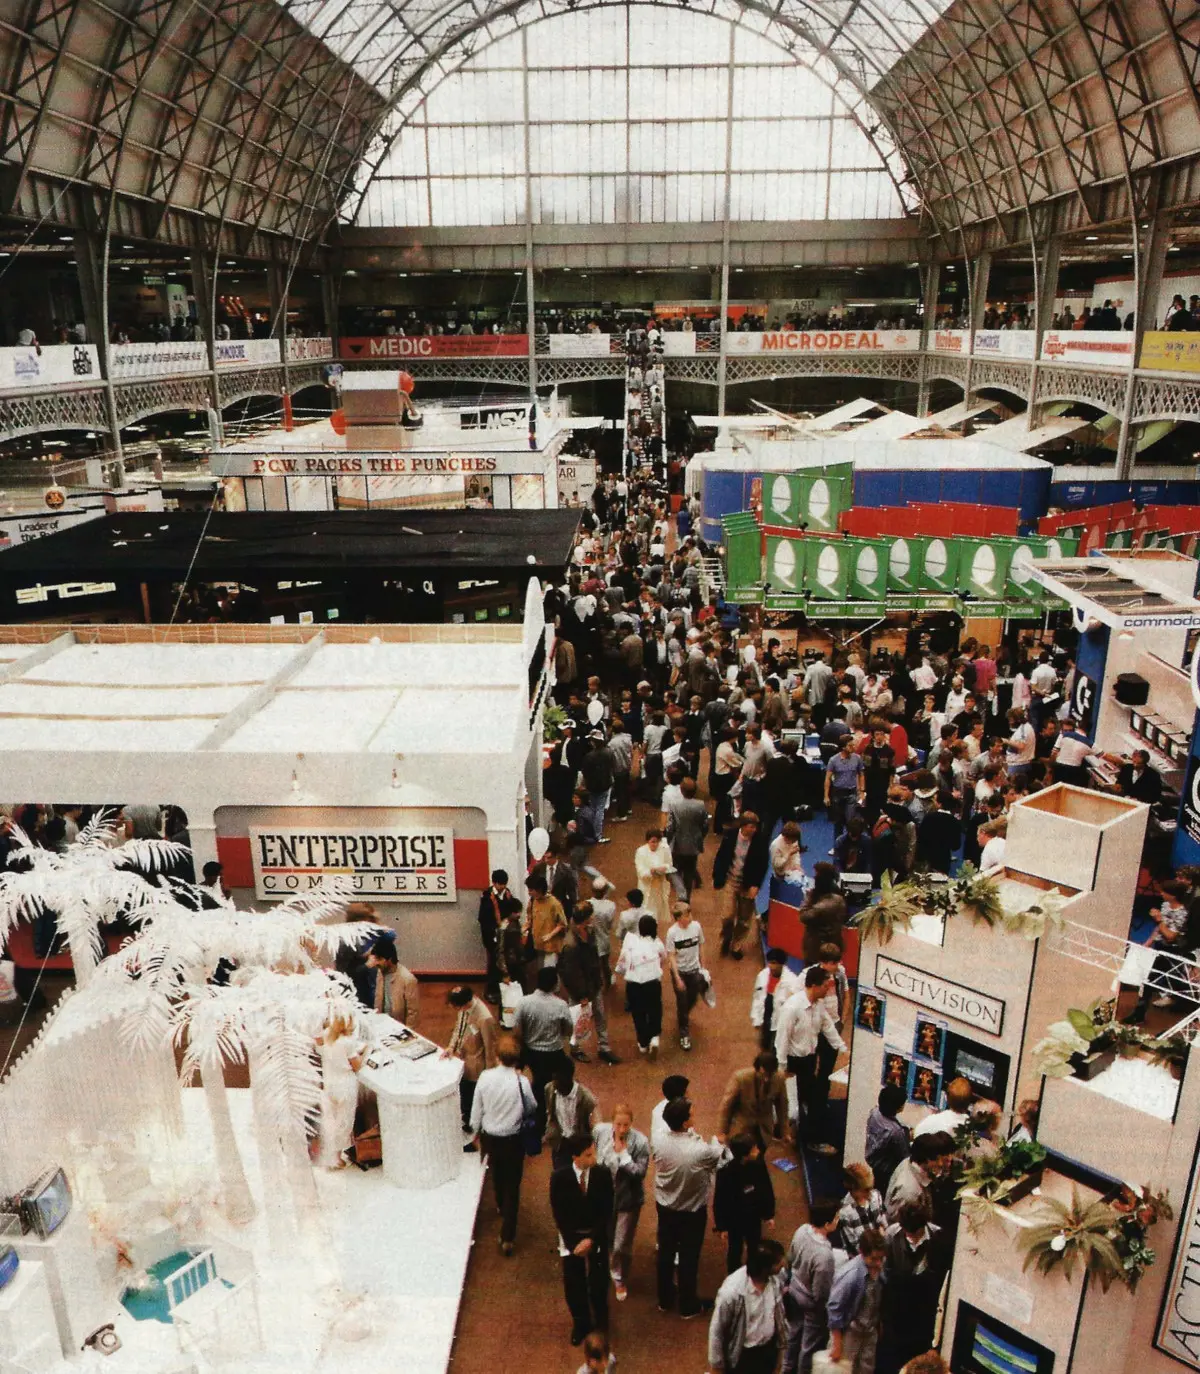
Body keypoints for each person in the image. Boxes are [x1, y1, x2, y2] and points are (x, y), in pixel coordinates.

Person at [653, 1095, 724, 1318]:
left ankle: (664, 1299)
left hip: (665, 1205)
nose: (695, 1115)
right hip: (691, 1211)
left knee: (665, 1252)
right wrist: (718, 1142)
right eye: (691, 1114)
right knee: (688, 1257)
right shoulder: (699, 1150)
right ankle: (687, 1304)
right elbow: (717, 1158)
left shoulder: (658, 1139)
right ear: (684, 1123)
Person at [470, 1034, 536, 1256]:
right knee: (513, 1184)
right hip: (513, 1138)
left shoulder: (485, 1077)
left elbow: (476, 1110)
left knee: (496, 1172)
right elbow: (531, 1106)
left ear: (497, 1056)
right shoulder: (522, 1082)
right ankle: (508, 1236)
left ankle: (499, 1203)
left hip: (490, 1135)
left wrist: (475, 1130)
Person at [550, 1134, 615, 1346]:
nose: (594, 1158)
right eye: (588, 1155)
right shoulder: (559, 1178)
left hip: (594, 1236)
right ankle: (581, 1324)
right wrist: (572, 1243)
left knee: (599, 1280)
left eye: (593, 1152)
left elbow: (607, 1211)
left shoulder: (602, 1175)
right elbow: (559, 1214)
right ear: (575, 1157)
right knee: (573, 1284)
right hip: (571, 1238)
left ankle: (602, 1320)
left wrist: (592, 1239)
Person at [775, 966, 847, 1154]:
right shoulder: (792, 1008)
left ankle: (808, 1137)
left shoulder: (819, 1005)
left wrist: (842, 1048)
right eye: (825, 986)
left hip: (808, 1061)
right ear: (814, 986)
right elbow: (782, 1039)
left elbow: (828, 1026)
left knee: (810, 1101)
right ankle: (793, 1134)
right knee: (792, 1105)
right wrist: (782, 1068)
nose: (828, 989)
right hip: (791, 1062)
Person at [880, 1202, 948, 1374]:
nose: (911, 1238)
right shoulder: (891, 1237)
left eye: (915, 1234)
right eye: (907, 1233)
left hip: (924, 1309)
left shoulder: (937, 1236)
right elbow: (886, 1274)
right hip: (899, 1308)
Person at [594, 1103, 650, 1302]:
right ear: (612, 1123)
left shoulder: (641, 1142)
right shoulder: (600, 1133)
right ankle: (610, 1265)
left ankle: (619, 1277)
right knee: (608, 1237)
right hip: (605, 1196)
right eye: (618, 1124)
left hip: (629, 1199)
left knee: (622, 1243)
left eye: (626, 1125)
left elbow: (640, 1172)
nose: (622, 1129)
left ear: (631, 1123)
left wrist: (624, 1156)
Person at [707, 1238, 788, 1374]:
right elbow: (717, 1330)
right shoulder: (731, 1292)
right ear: (765, 1268)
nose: (782, 1264)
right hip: (743, 1356)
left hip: (768, 1350)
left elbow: (779, 1318)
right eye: (778, 1262)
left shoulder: (776, 1279)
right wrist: (716, 1366)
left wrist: (780, 1356)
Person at [513, 965, 573, 1135]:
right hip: (554, 1052)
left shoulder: (524, 1002)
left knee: (538, 1086)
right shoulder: (561, 1005)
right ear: (554, 984)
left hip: (531, 1052)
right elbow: (568, 1030)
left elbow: (517, 1030)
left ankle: (537, 1126)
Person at [558, 902, 619, 1065]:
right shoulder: (571, 944)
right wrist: (582, 995)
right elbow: (571, 973)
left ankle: (604, 1048)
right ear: (584, 919)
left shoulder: (589, 930)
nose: (593, 917)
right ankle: (575, 1049)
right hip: (579, 989)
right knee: (578, 1019)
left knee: (600, 1014)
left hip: (593, 983)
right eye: (590, 915)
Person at [783, 1201, 839, 1374]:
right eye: (836, 1218)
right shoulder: (824, 1255)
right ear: (827, 1224)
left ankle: (786, 1370)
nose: (838, 1221)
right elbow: (821, 1293)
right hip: (810, 1304)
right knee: (809, 1347)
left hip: (793, 1292)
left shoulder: (802, 1230)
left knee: (793, 1339)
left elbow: (790, 1258)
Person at [826, 1229, 887, 1373]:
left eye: (881, 1258)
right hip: (850, 1331)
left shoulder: (880, 1268)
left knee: (866, 1369)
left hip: (869, 1330)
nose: (878, 1263)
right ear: (861, 1252)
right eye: (873, 1259)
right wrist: (836, 1344)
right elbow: (835, 1308)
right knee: (843, 1369)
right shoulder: (850, 1275)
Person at [713, 1133, 776, 1274]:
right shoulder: (725, 1173)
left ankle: (754, 1275)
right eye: (754, 1149)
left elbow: (766, 1190)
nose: (758, 1151)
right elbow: (719, 1201)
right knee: (734, 1250)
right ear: (744, 1154)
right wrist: (722, 1226)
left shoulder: (759, 1166)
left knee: (754, 1248)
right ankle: (733, 1276)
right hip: (734, 1221)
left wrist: (768, 1214)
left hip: (753, 1218)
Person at [713, 811, 768, 960]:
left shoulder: (760, 841)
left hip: (747, 884)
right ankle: (726, 936)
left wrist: (756, 885)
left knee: (744, 920)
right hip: (731, 881)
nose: (754, 830)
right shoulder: (730, 836)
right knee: (727, 915)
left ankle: (736, 945)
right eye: (751, 826)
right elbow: (721, 856)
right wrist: (717, 877)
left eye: (755, 827)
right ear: (743, 826)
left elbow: (762, 865)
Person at [445, 985, 498, 1140]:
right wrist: (451, 1046)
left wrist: (489, 1075)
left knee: (473, 1099)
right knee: (464, 1096)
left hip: (476, 1067)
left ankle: (474, 1131)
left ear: (465, 1003)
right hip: (463, 1060)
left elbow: (490, 1048)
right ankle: (466, 1121)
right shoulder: (464, 1009)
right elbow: (458, 1029)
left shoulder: (484, 1017)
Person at [315, 1011, 365, 1168]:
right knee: (344, 1121)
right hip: (345, 1085)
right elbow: (357, 1065)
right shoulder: (347, 1042)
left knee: (332, 1119)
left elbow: (318, 1044)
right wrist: (365, 1052)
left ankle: (328, 1154)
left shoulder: (326, 1037)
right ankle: (336, 1158)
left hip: (330, 1083)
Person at [615, 912, 666, 1058]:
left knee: (638, 1013)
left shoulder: (630, 943)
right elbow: (663, 958)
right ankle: (654, 1037)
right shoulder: (657, 943)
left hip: (634, 985)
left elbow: (622, 964)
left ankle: (643, 1043)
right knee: (655, 1009)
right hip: (653, 983)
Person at [718, 1050, 789, 1149]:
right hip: (743, 1125)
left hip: (764, 1127)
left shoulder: (779, 1079)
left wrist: (784, 1131)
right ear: (757, 1068)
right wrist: (722, 1132)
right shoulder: (740, 1078)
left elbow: (782, 1106)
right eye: (763, 1074)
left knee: (761, 1152)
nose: (766, 1079)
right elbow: (727, 1105)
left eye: (770, 1075)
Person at [884, 1131, 954, 1222]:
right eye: (937, 1160)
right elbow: (904, 1226)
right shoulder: (910, 1192)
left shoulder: (910, 1161)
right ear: (925, 1160)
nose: (941, 1163)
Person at [665, 903, 706, 1050]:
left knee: (693, 998)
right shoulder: (672, 933)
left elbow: (701, 945)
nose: (690, 917)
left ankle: (683, 1016)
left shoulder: (696, 927)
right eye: (687, 915)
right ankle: (684, 1034)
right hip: (680, 972)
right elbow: (671, 956)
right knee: (682, 1002)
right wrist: (677, 978)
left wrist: (703, 967)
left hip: (694, 970)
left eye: (690, 914)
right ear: (678, 918)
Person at [545, 1058, 598, 1169]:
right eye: (553, 1079)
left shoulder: (586, 1098)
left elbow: (595, 1125)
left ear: (568, 1078)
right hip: (560, 1144)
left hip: (579, 1145)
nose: (554, 1083)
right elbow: (551, 1113)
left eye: (557, 1080)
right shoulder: (549, 1089)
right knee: (560, 1177)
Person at [478, 870, 521, 1004]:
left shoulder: (507, 894)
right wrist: (493, 933)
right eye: (500, 885)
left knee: (504, 961)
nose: (502, 887)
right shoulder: (486, 897)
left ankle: (502, 989)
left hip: (505, 933)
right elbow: (482, 919)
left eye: (504, 884)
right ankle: (490, 991)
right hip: (492, 935)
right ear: (494, 883)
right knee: (493, 963)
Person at [666, 776, 709, 898]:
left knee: (674, 870)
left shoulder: (674, 805)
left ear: (681, 790)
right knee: (689, 872)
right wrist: (700, 837)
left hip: (677, 844)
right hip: (693, 845)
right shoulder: (700, 805)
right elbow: (705, 825)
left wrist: (668, 840)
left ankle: (681, 893)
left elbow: (670, 827)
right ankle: (687, 898)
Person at [751, 948, 800, 1054]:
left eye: (774, 963)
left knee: (777, 1049)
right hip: (766, 1014)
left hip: (780, 1021)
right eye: (770, 963)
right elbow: (757, 997)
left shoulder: (792, 981)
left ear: (782, 964)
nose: (771, 966)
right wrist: (756, 1018)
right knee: (764, 1044)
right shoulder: (763, 975)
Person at [836, 1163, 888, 1258]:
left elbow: (882, 1224)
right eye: (866, 1190)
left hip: (881, 1249)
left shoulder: (876, 1196)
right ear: (853, 1189)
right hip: (863, 1256)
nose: (870, 1194)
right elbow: (855, 1246)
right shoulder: (844, 1212)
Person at [825, 733, 866, 848]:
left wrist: (862, 791)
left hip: (851, 793)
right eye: (850, 745)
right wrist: (826, 796)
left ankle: (851, 846)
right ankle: (837, 845)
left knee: (850, 821)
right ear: (843, 747)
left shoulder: (857, 758)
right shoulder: (833, 760)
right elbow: (828, 778)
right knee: (838, 822)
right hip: (838, 793)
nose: (853, 747)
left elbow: (861, 774)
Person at [367, 939, 420, 1026]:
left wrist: (407, 1034)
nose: (376, 963)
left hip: (399, 1028)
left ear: (390, 960)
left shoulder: (408, 979)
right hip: (382, 1025)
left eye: (379, 959)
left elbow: (413, 1013)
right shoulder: (380, 972)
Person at [526, 872, 568, 969]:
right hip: (538, 944)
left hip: (551, 946)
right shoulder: (533, 901)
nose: (529, 892)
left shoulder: (554, 903)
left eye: (531, 890)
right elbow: (530, 919)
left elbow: (562, 924)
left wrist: (550, 935)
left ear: (539, 889)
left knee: (550, 972)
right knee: (541, 972)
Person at [634, 828, 675, 926]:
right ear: (647, 841)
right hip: (647, 886)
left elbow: (669, 864)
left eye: (657, 842)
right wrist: (651, 871)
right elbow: (640, 871)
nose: (655, 844)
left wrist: (663, 868)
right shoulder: (641, 852)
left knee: (657, 911)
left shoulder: (664, 848)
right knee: (646, 910)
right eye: (652, 842)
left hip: (659, 886)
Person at [651, 1072, 690, 1146]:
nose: (689, 1094)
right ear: (681, 1095)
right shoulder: (678, 1111)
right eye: (687, 1091)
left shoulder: (658, 1108)